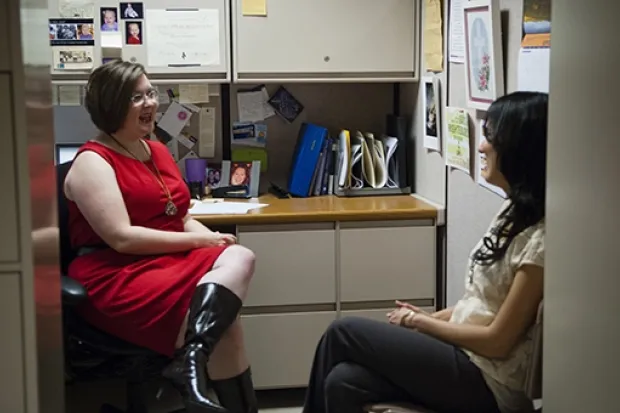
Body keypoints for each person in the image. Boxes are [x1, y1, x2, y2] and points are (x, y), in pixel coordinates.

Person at [302, 91, 548, 413]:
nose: (481, 146)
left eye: (491, 137)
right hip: (466, 358)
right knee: (343, 381)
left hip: (489, 382)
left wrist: (422, 325)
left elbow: (498, 341)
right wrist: (429, 316)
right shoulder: (512, 212)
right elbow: (480, 302)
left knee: (342, 332)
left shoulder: (541, 241)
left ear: (518, 149)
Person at [64, 60, 258, 413]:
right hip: (116, 273)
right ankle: (192, 365)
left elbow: (181, 216)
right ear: (112, 104)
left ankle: (191, 361)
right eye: (136, 97)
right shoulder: (93, 162)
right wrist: (201, 243)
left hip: (166, 261)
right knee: (227, 324)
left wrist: (212, 238)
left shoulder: (156, 151)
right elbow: (122, 238)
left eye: (151, 93)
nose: (150, 103)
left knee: (239, 256)